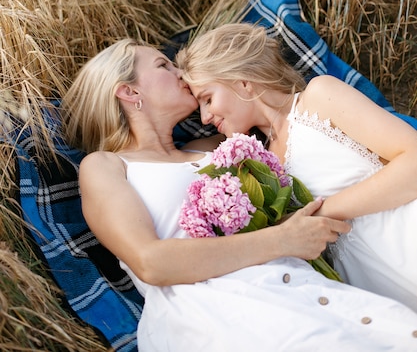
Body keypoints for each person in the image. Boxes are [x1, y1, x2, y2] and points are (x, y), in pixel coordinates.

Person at [62, 38, 417, 351]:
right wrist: (280, 239)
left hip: (289, 280)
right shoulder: (107, 166)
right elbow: (150, 262)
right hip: (211, 305)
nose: (180, 74)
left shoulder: (222, 145)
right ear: (129, 92)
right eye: (163, 65)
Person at [177, 22, 417, 313]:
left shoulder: (317, 97)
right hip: (374, 287)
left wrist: (321, 212)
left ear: (241, 80)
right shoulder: (258, 168)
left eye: (207, 99)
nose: (204, 118)